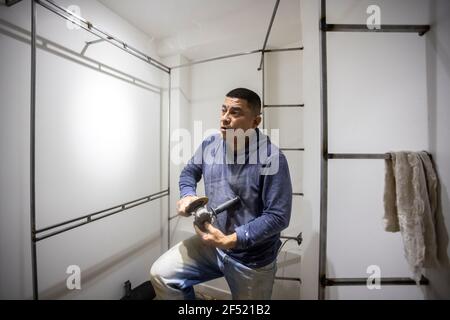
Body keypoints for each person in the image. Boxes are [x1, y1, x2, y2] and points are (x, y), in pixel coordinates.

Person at [150, 88, 292, 300]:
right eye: (224, 110)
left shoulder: (272, 158)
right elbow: (189, 172)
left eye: (235, 112)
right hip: (212, 246)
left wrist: (232, 240)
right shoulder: (210, 144)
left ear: (255, 121)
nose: (225, 118)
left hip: (251, 259)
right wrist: (188, 195)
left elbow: (278, 216)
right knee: (161, 274)